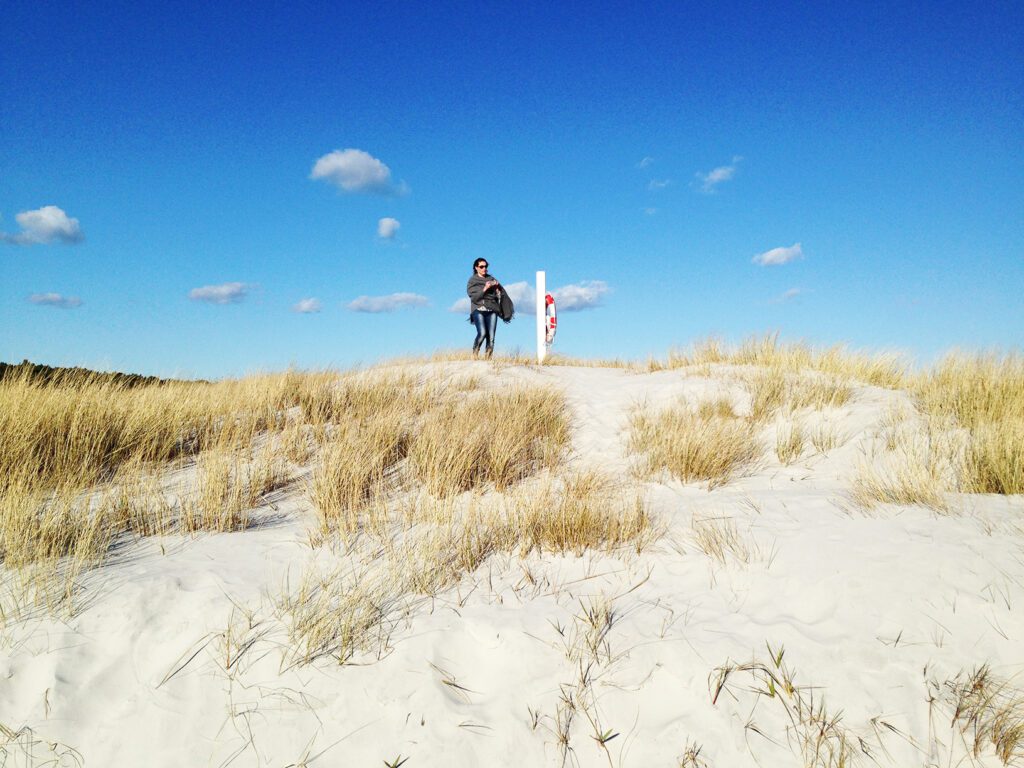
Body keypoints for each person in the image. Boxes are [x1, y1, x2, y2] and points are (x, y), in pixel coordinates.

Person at [466, 258, 501, 357]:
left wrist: (497, 290)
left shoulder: (491, 278)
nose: (484, 269)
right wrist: (485, 288)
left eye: (486, 266)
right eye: (481, 267)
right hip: (479, 309)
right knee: (482, 333)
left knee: (491, 337)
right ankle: (475, 353)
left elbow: (498, 296)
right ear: (476, 268)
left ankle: (488, 359)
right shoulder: (472, 281)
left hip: (492, 310)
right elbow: (474, 297)